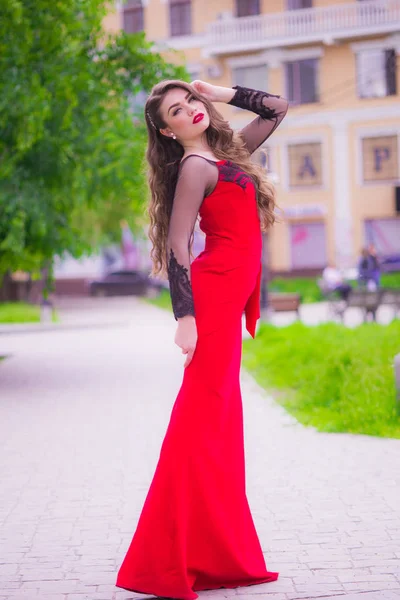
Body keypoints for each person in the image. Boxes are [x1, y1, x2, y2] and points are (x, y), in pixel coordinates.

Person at [116, 79, 288, 599]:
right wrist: (185, 316)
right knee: (200, 421)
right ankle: (167, 558)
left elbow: (278, 109)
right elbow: (177, 243)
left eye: (191, 101)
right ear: (166, 130)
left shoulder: (228, 153)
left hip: (226, 302)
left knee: (216, 425)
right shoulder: (195, 167)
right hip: (209, 305)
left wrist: (218, 90)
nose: (190, 110)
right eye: (176, 110)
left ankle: (214, 551)